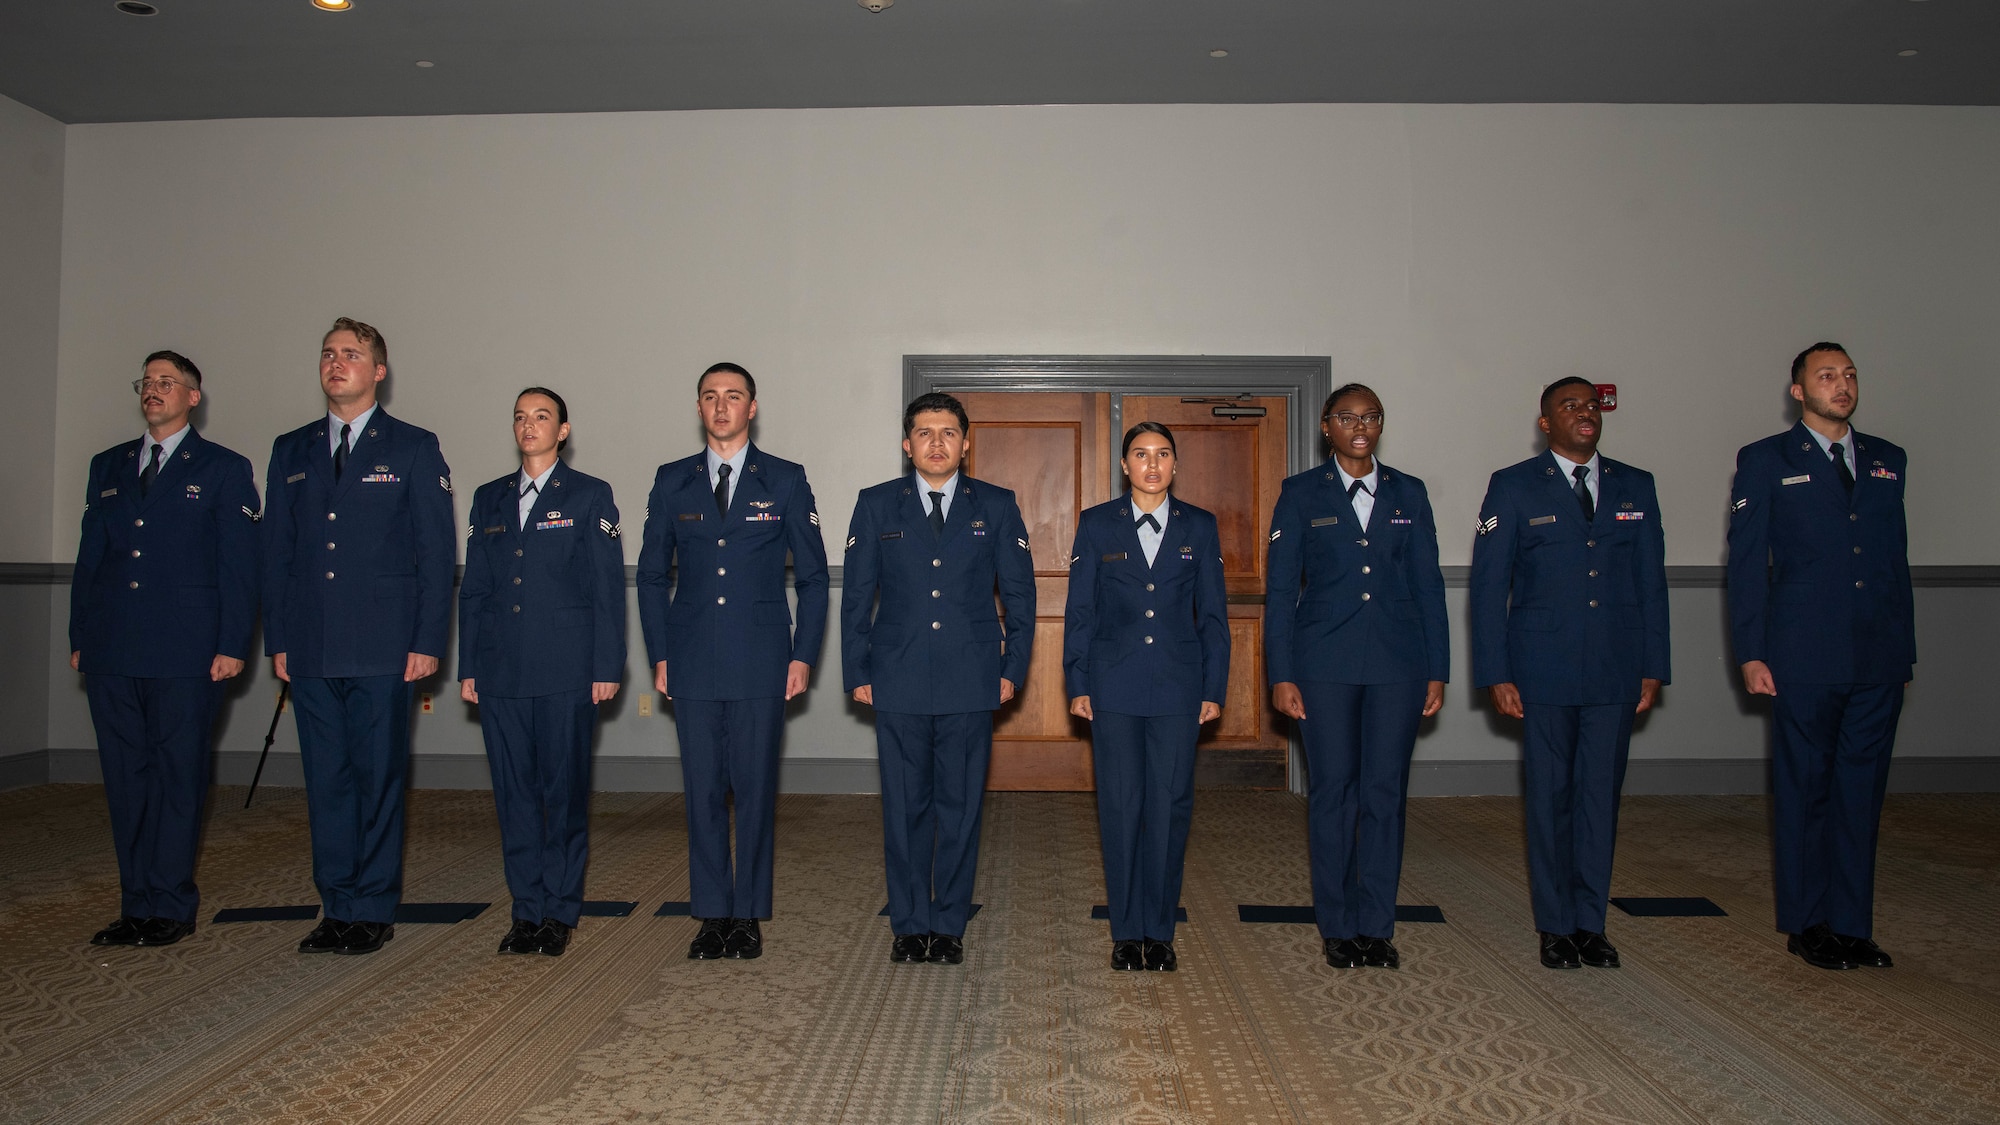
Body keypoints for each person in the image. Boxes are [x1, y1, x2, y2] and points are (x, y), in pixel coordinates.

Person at [262, 317, 455, 956]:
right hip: (312, 645)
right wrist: (279, 638)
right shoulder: (290, 450)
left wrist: (427, 639)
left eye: (352, 354)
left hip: (383, 646)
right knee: (326, 780)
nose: (337, 362)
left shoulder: (413, 447)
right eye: (328, 354)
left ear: (379, 370)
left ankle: (371, 906)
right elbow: (278, 554)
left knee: (376, 777)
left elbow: (434, 553)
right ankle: (335, 904)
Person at [1469, 377, 1668, 971]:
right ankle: (1555, 926)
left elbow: (1651, 585)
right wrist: (1496, 671)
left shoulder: (1637, 484)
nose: (1585, 413)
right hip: (1542, 671)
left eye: (1591, 405)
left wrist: (1653, 665)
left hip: (1615, 670)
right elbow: (1487, 590)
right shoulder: (1513, 487)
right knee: (1551, 798)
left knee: (1599, 799)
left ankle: (1591, 922)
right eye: (1569, 406)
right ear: (1545, 423)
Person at [1727, 343, 1913, 972]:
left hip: (1877, 655)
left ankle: (1853, 925)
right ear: (1798, 392)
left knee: (1861, 793)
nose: (1842, 385)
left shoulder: (1888, 460)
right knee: (1806, 790)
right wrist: (1750, 652)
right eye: (1827, 376)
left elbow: (1894, 561)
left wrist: (1903, 650)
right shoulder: (1766, 460)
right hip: (1801, 653)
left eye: (1850, 375)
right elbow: (1749, 563)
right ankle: (1808, 923)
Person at [637, 363, 829, 961]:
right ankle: (711, 913)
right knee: (701, 793)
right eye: (710, 397)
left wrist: (803, 658)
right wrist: (660, 655)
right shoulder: (673, 482)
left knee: (753, 790)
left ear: (753, 408)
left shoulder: (787, 480)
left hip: (761, 660)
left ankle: (748, 913)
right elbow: (648, 577)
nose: (722, 407)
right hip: (692, 660)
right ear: (699, 408)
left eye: (734, 397)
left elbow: (817, 580)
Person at [70, 350, 260, 948]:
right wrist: (81, 636)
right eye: (147, 382)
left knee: (178, 776)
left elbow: (239, 566)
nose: (153, 391)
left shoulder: (225, 468)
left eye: (167, 382)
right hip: (114, 649)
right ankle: (136, 903)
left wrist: (232, 644)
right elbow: (89, 560)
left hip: (188, 653)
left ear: (193, 397)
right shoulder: (109, 465)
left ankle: (171, 905)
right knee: (126, 778)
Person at [841, 392, 1035, 965]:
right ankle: (908, 923)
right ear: (907, 444)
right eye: (924, 433)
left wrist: (1012, 669)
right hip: (895, 675)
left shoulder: (996, 506)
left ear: (966, 443)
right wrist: (858, 670)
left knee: (960, 805)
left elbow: (1020, 596)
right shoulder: (876, 505)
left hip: (971, 677)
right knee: (903, 807)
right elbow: (856, 597)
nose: (936, 443)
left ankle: (948, 923)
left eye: (948, 432)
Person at [1265, 385, 1447, 971]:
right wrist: (1282, 673)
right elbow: (1279, 594)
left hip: (1398, 666)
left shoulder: (1408, 493)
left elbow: (1429, 587)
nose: (1359, 426)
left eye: (1370, 417)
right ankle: (1338, 925)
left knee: (1384, 794)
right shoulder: (1299, 494)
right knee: (1334, 792)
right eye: (1347, 417)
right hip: (1323, 667)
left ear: (1381, 424)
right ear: (1327, 426)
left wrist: (1437, 670)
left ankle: (1376, 924)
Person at [459, 388, 624, 957]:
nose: (529, 426)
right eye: (521, 418)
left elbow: (606, 590)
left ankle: (559, 909)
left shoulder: (589, 495)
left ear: (563, 430)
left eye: (542, 417)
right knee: (514, 796)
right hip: (502, 670)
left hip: (566, 671)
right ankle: (525, 910)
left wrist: (606, 666)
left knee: (563, 793)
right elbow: (475, 589)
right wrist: (469, 666)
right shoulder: (489, 499)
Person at [1064, 422, 1228, 972]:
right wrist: (1078, 681)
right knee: (1119, 805)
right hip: (1113, 685)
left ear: (1175, 466)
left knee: (1169, 805)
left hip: (1180, 689)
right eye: (1141, 454)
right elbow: (1080, 612)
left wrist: (1213, 687)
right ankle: (1124, 930)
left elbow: (1213, 618)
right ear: (1125, 467)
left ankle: (1158, 932)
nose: (1152, 465)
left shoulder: (1200, 527)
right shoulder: (1096, 525)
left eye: (1162, 455)